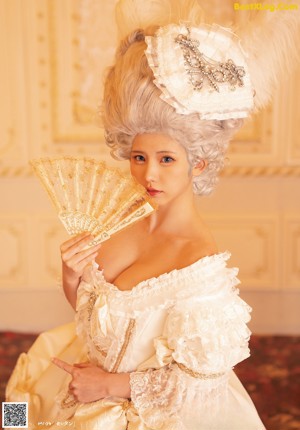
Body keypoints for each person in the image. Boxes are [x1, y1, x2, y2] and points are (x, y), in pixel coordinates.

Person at [6, 0, 299, 428]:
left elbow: (201, 384)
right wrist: (71, 277)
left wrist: (108, 386)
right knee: (15, 413)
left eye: (167, 160)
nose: (148, 174)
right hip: (79, 375)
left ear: (197, 163)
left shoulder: (200, 267)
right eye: (139, 156)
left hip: (137, 406)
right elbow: (90, 322)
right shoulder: (122, 221)